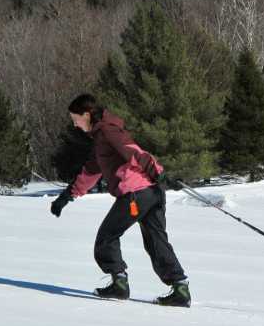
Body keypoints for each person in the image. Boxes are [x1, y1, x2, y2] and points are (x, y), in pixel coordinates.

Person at [50, 93, 191, 307]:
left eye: (75, 119)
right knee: (156, 241)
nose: (75, 125)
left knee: (107, 237)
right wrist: (67, 195)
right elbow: (91, 170)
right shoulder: (102, 137)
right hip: (151, 193)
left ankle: (119, 284)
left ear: (87, 115)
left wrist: (158, 172)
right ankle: (180, 288)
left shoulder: (107, 130)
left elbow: (134, 152)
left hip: (136, 194)